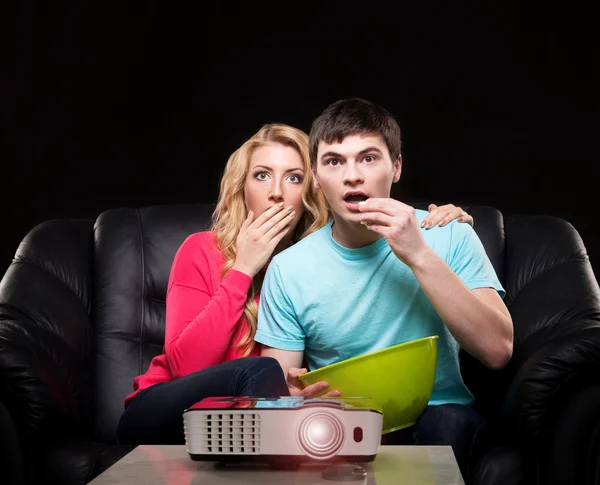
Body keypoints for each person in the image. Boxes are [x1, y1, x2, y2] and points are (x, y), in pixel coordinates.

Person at [116, 122, 476, 445]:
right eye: (261, 175)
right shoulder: (201, 249)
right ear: (241, 188)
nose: (276, 192)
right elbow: (186, 370)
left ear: (312, 188)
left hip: (244, 430)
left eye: (293, 177)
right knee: (263, 371)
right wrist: (242, 270)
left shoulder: (310, 264)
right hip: (167, 412)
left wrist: (443, 223)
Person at [254, 99, 514, 483]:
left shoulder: (450, 234)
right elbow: (279, 389)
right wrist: (293, 397)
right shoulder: (288, 269)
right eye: (334, 161)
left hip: (440, 416)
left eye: (369, 158)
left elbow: (498, 350)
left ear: (396, 166)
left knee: (447, 424)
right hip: (342, 427)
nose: (352, 176)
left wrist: (418, 256)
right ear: (315, 175)